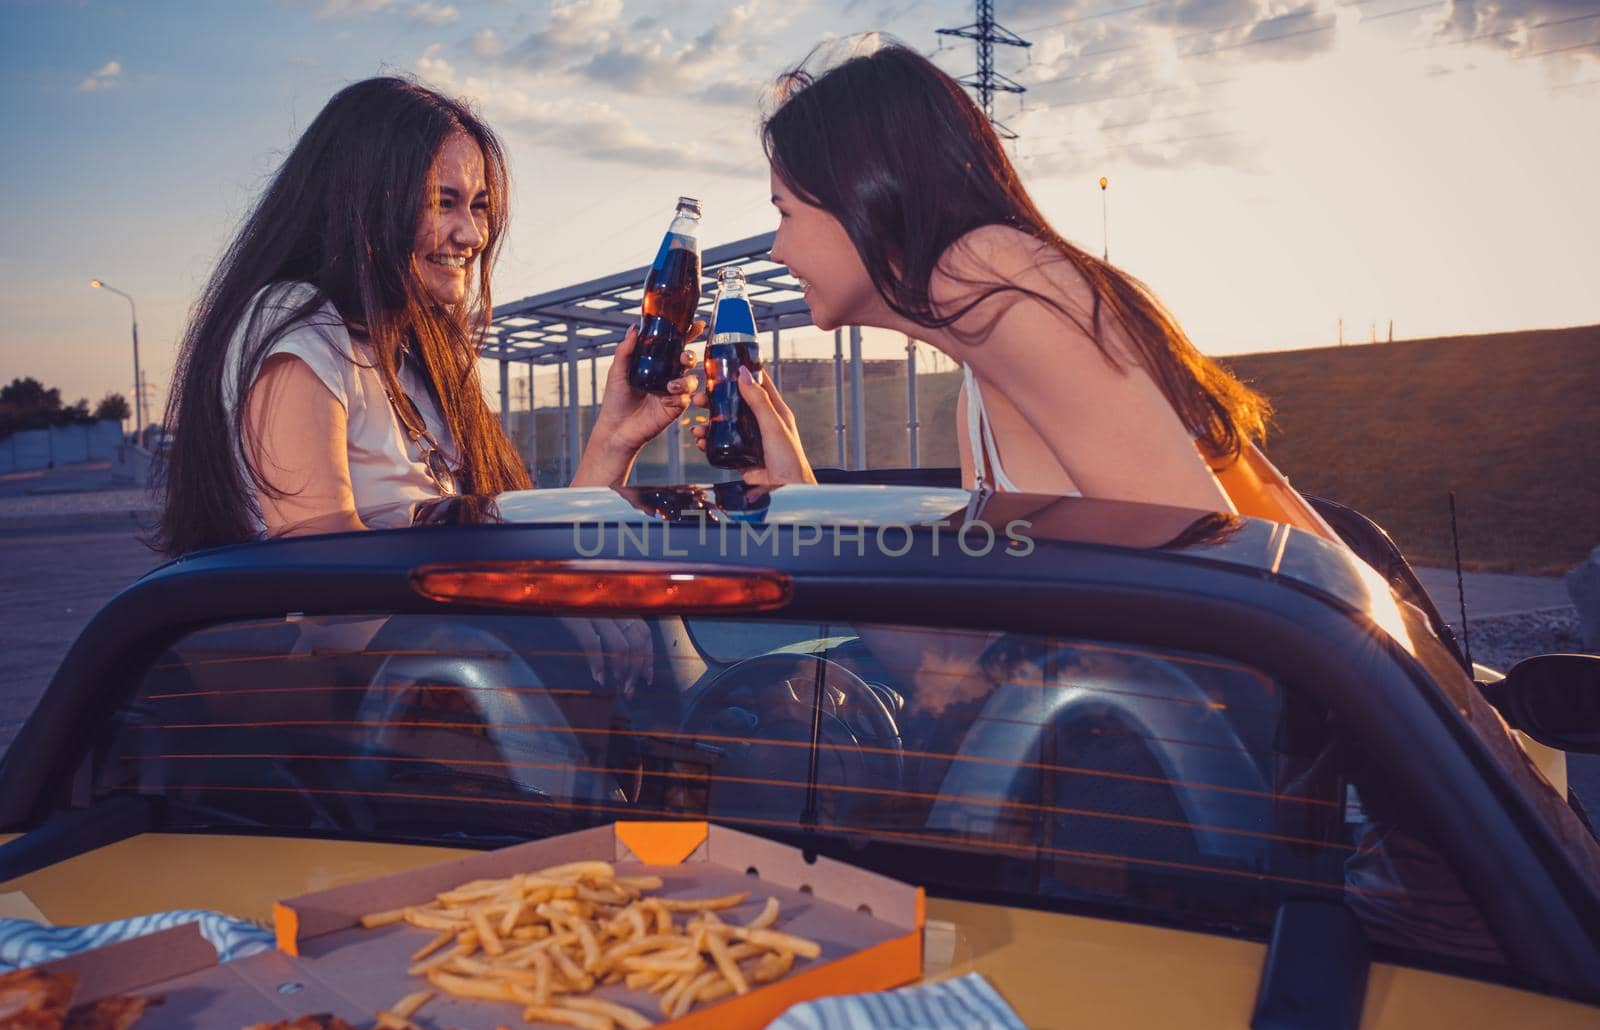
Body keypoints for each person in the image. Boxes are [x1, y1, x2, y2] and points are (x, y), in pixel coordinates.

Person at [155, 76, 693, 692]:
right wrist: (543, 610)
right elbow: (334, 598)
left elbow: (514, 546)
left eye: (479, 205)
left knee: (655, 607)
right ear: (361, 203)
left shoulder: (421, 355)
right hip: (374, 720)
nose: (473, 234)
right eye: (443, 202)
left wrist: (614, 438)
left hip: (455, 682)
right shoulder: (296, 323)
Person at [693, 42, 1337, 541]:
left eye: (784, 212)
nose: (778, 249)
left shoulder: (996, 276)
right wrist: (800, 497)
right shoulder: (979, 381)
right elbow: (972, 674)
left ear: (860, 191)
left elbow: (1214, 581)